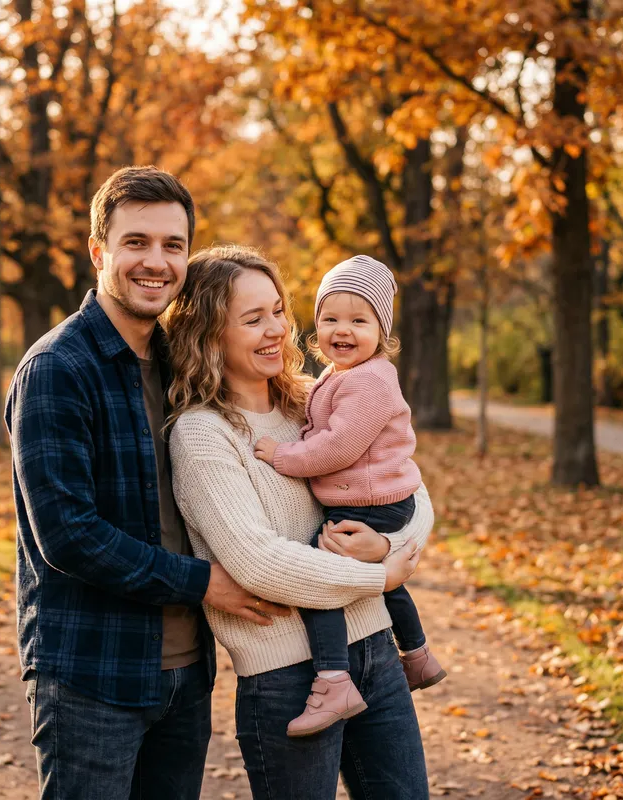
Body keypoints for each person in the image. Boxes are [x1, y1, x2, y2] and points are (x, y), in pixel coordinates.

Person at [4, 167, 289, 800]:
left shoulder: (182, 365)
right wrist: (206, 582)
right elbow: (68, 535)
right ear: (98, 250)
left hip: (186, 673)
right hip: (91, 674)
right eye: (137, 242)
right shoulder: (58, 368)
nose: (155, 261)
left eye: (173, 245)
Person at [166, 245, 432, 799]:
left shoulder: (313, 401)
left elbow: (412, 488)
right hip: (287, 674)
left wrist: (385, 545)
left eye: (280, 311)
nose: (277, 331)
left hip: (376, 650)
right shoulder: (203, 435)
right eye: (253, 318)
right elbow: (259, 562)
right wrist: (380, 579)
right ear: (210, 333)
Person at [253, 255, 446, 738]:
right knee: (389, 582)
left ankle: (333, 680)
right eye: (330, 318)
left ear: (382, 331)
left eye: (359, 320)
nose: (342, 329)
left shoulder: (371, 381)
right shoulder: (342, 374)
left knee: (325, 576)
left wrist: (283, 456)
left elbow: (337, 446)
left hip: (369, 500)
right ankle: (418, 656)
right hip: (374, 496)